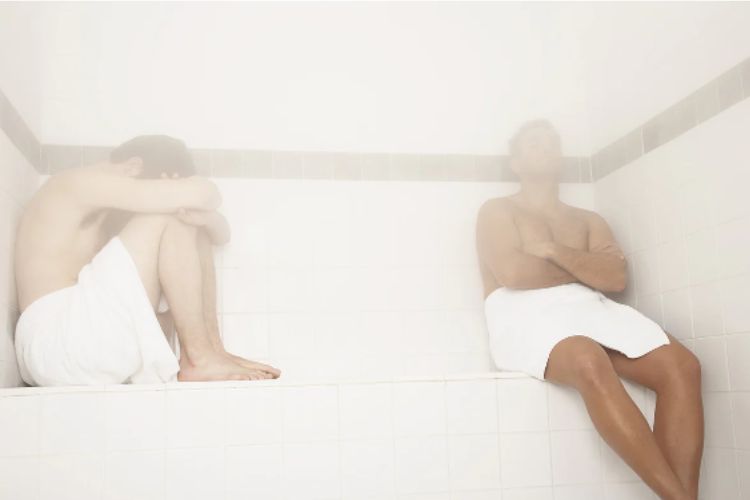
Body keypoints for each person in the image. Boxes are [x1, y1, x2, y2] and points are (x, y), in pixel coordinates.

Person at [476, 120, 703, 500]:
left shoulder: (587, 219)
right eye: (535, 143)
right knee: (585, 355)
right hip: (523, 316)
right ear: (515, 162)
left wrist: (552, 251)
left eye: (553, 142)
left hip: (588, 309)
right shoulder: (497, 211)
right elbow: (513, 273)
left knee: (683, 366)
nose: (546, 148)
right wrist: (584, 267)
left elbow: (614, 278)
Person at [14, 135, 281, 385]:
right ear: (133, 167)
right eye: (164, 184)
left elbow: (221, 234)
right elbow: (205, 193)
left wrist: (206, 218)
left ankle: (213, 352)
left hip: (76, 345)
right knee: (173, 216)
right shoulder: (74, 183)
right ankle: (199, 358)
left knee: (190, 224)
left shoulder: (106, 213)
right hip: (57, 345)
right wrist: (186, 197)